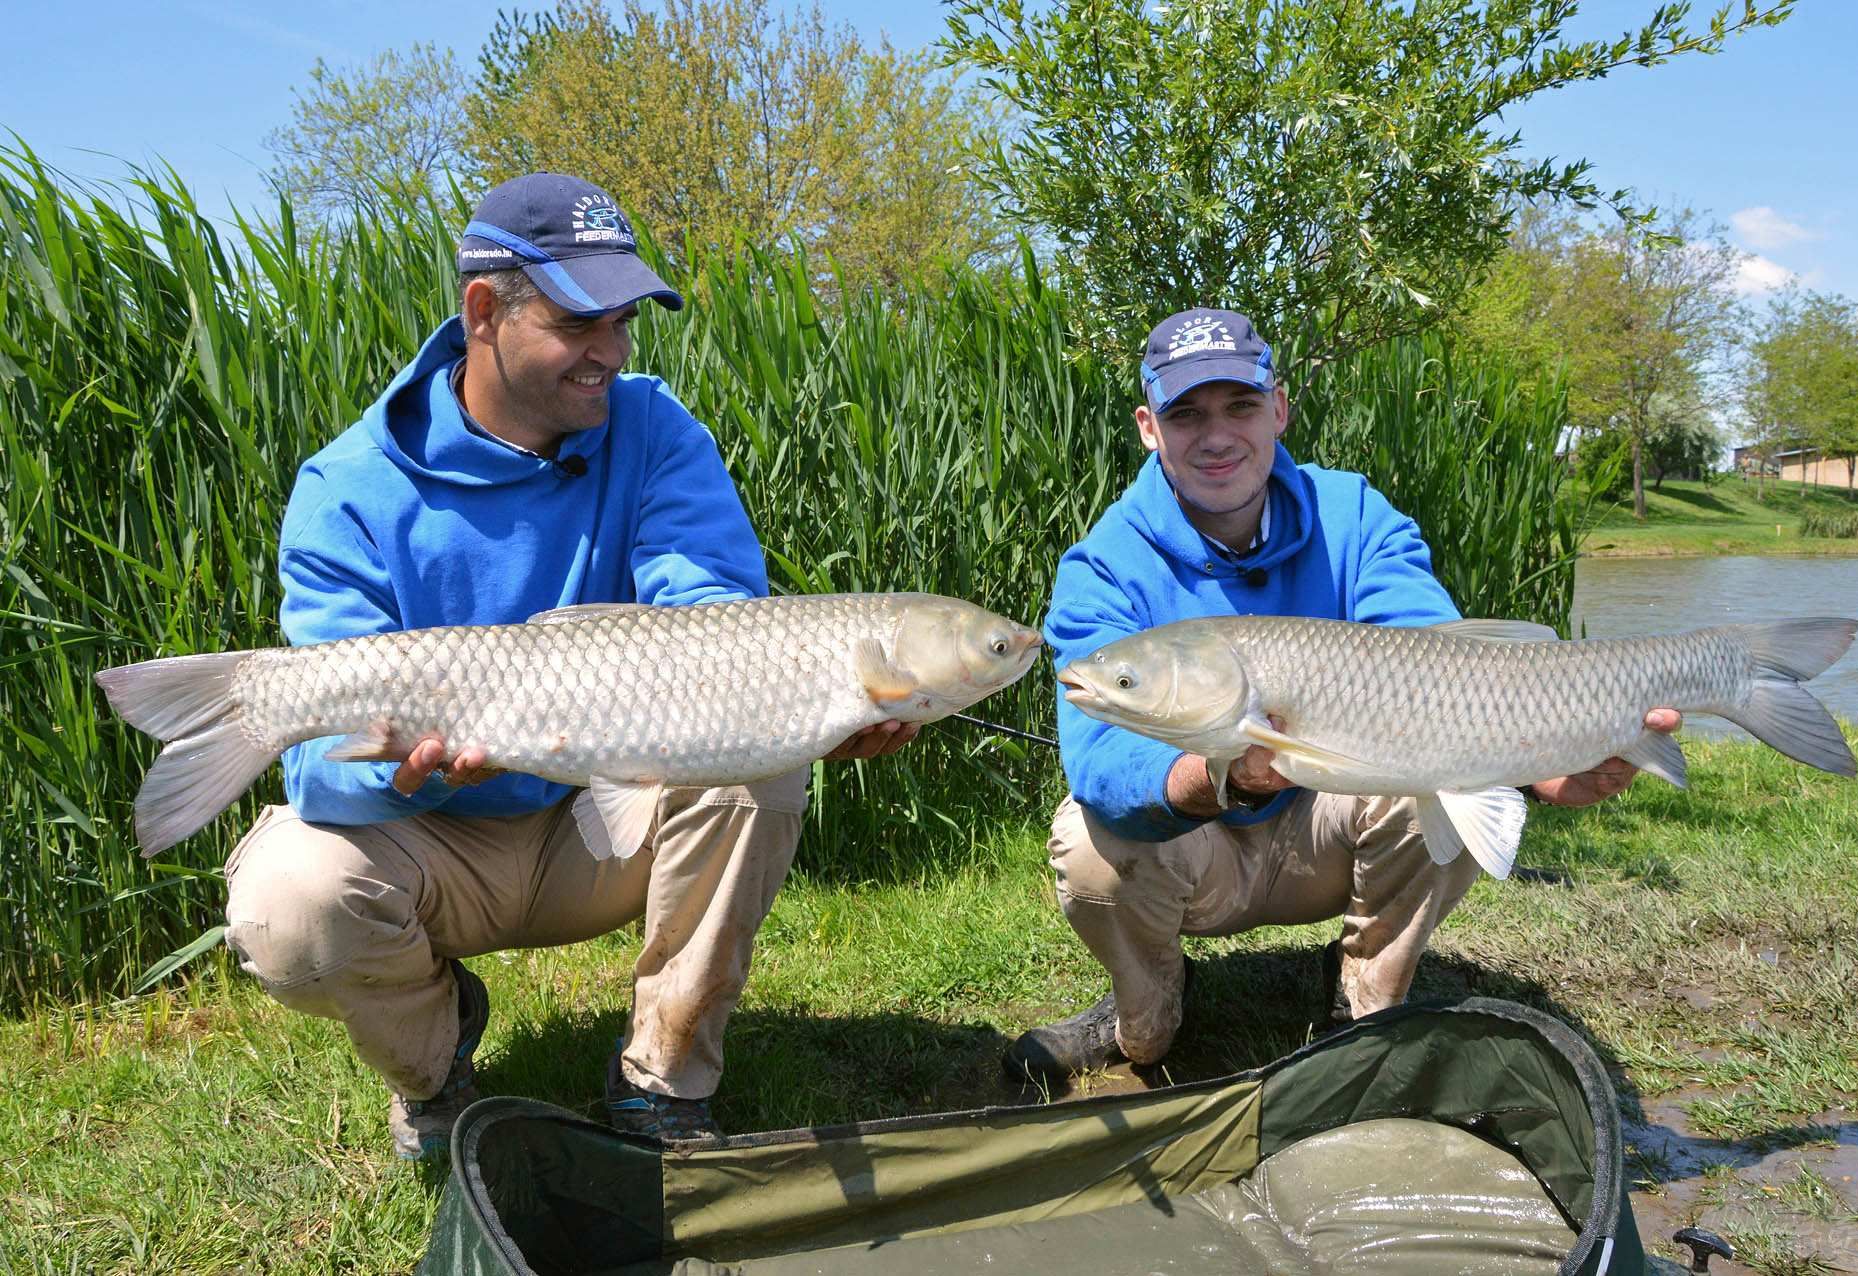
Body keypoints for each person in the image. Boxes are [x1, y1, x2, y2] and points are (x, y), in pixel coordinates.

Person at [222, 173, 917, 1159]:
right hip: (434, 841)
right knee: (288, 898)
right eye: (580, 320)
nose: (612, 351)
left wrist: (805, 711)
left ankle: (662, 1082)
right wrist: (401, 759)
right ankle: (436, 1072)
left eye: (625, 320)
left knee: (759, 765)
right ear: (483, 312)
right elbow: (323, 775)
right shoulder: (348, 490)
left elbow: (714, 619)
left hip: (600, 820)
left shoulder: (652, 427)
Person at [1005, 307, 1677, 1082]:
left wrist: (1541, 762)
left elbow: (1441, 666)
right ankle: (1147, 1014)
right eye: (1186, 414)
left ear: (1280, 408)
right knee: (1089, 839)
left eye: (1241, 407)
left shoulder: (1354, 515)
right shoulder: (1101, 567)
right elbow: (1099, 764)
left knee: (1430, 772)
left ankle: (1363, 1006)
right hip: (1195, 849)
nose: (1216, 435)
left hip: (1332, 823)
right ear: (1149, 427)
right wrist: (1222, 774)